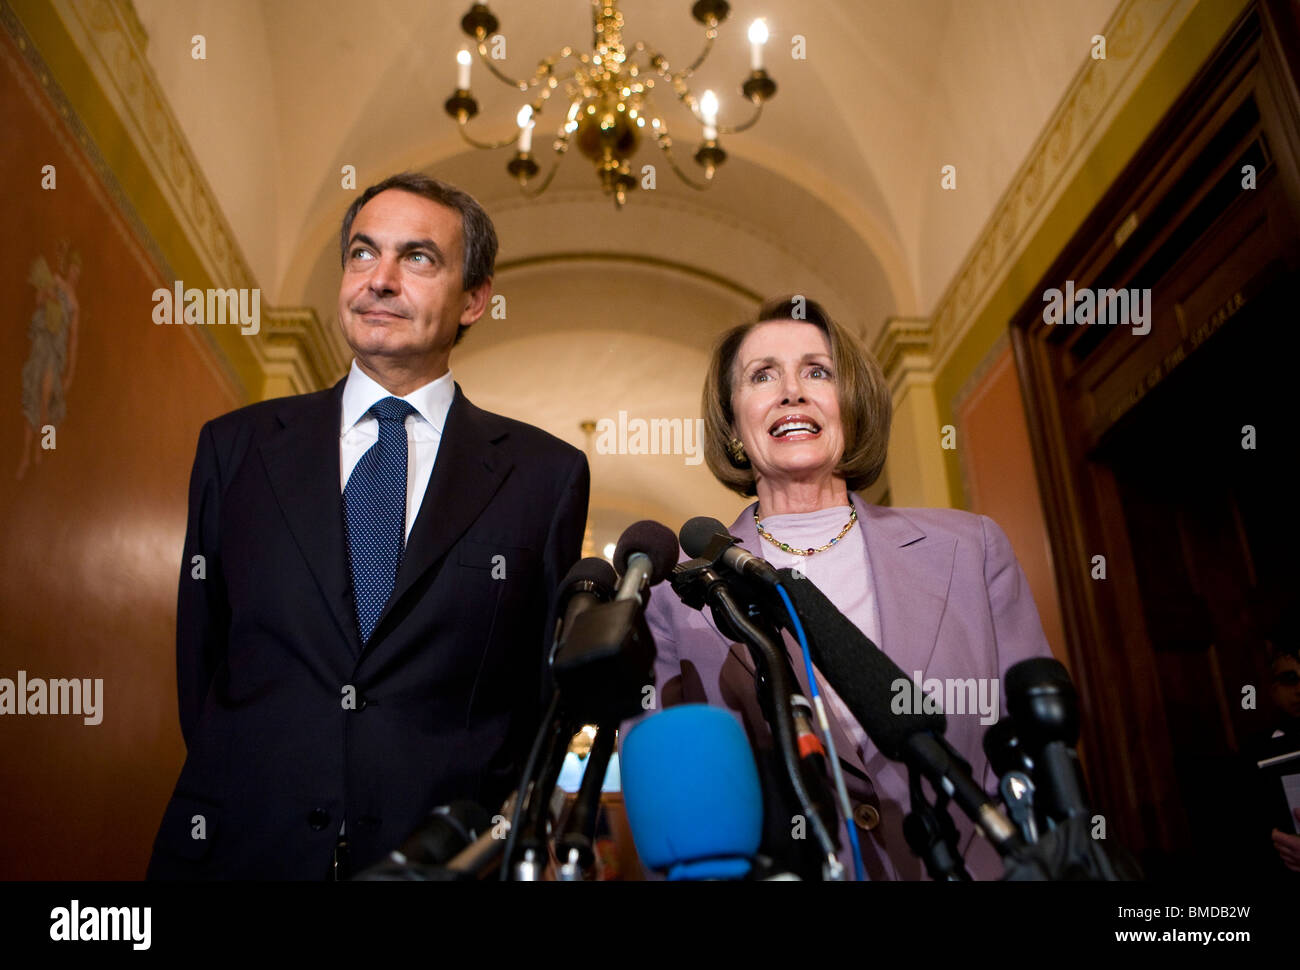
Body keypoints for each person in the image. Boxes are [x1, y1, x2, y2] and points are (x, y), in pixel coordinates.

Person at [147, 172, 589, 879]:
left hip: (443, 861)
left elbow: (536, 705)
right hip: (242, 851)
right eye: (362, 253)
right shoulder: (238, 448)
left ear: (475, 299)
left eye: (417, 258)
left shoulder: (544, 476)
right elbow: (202, 668)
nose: (379, 279)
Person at [640, 294, 1053, 880]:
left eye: (817, 371)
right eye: (763, 376)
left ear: (850, 405)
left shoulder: (971, 548)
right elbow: (675, 798)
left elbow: (1038, 747)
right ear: (733, 424)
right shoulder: (675, 590)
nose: (792, 391)